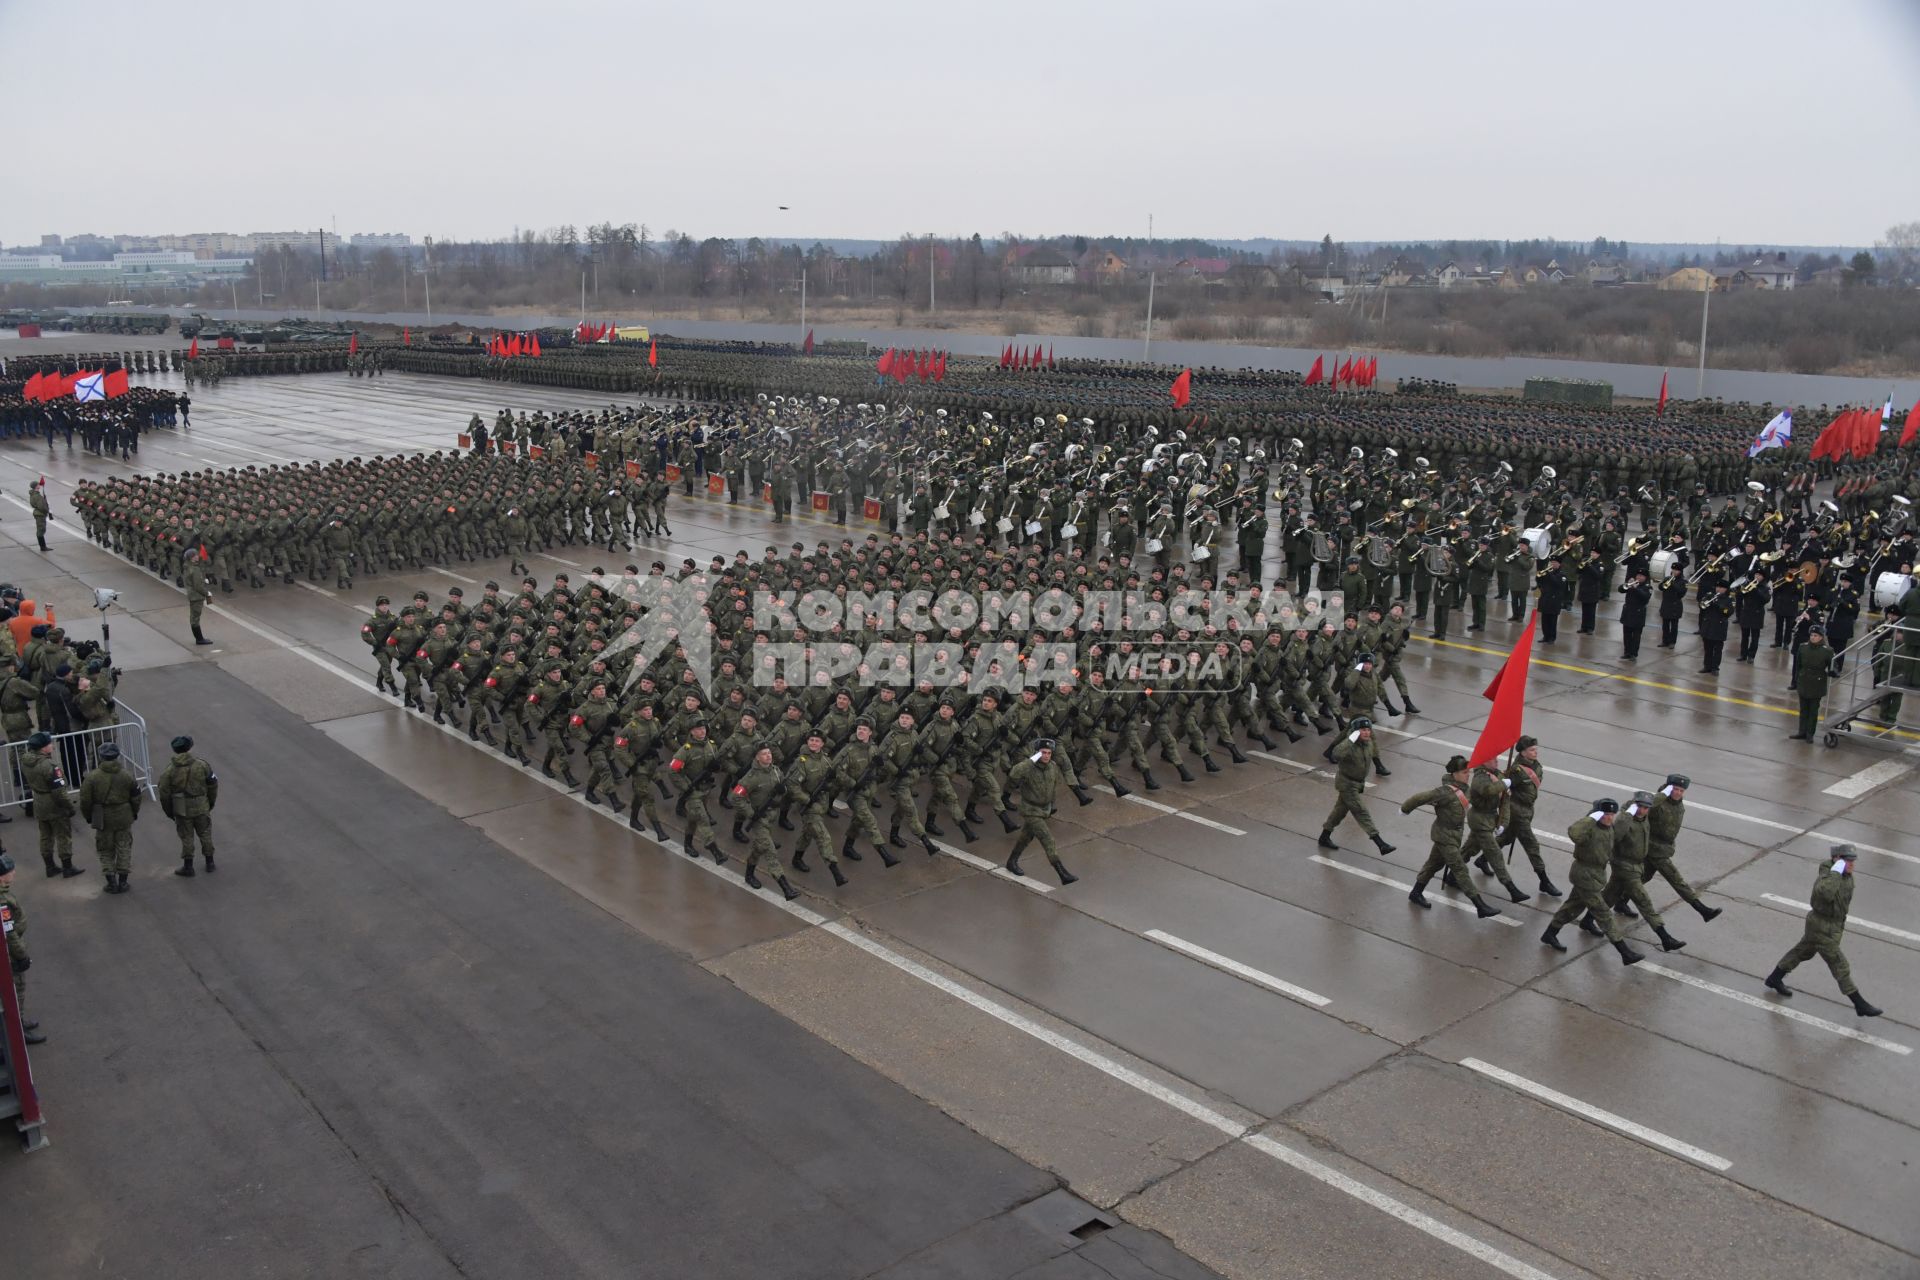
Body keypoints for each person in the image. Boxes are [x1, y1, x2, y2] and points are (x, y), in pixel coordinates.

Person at [1766, 845, 1882, 1017]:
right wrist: (1835, 872)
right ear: (1837, 859)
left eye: (1852, 861)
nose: (1851, 864)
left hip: (1832, 926)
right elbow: (1825, 894)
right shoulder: (1828, 875)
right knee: (1839, 964)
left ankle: (1775, 978)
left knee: (1802, 952)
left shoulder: (1847, 876)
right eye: (1848, 860)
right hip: (1822, 927)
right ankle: (1859, 1004)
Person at [1540, 799, 1646, 966]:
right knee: (1604, 914)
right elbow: (1573, 833)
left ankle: (1550, 933)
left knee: (1573, 906)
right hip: (1584, 874)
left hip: (1596, 874)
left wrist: (1626, 815)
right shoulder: (1588, 829)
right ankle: (1625, 952)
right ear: (1597, 814)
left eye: (1612, 814)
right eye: (1605, 814)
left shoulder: (1610, 828)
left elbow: (1620, 832)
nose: (1609, 818)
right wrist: (1591, 818)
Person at [1401, 755, 1502, 918]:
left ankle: (1416, 892)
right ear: (1454, 773)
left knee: (1433, 865)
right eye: (1463, 772)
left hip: (1454, 835)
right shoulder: (1444, 792)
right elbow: (1420, 798)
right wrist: (1405, 809)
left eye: (1468, 771)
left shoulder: (1465, 789)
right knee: (1460, 869)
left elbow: (1479, 797)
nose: (1467, 775)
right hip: (1444, 836)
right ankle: (1480, 906)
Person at [1599, 791, 1687, 952]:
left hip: (1636, 866)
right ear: (1633, 805)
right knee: (1644, 902)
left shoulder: (1644, 819)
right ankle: (1665, 938)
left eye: (1646, 808)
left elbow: (1659, 802)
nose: (1643, 810)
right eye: (1639, 807)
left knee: (1610, 896)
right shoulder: (1625, 820)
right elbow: (1615, 836)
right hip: (1624, 866)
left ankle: (1587, 920)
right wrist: (1627, 814)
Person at [1642, 774, 1721, 923]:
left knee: (1643, 877)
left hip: (1665, 848)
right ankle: (1702, 910)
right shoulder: (1658, 803)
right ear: (1668, 788)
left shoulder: (1678, 805)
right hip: (1654, 849)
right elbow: (1643, 811)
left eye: (1681, 790)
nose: (1678, 793)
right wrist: (1660, 796)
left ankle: (1620, 900)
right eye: (1675, 789)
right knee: (1676, 880)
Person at [1316, 717, 1396, 856]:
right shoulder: (1349, 745)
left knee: (1339, 812)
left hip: (1357, 783)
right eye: (1362, 730)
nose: (1366, 732)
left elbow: (1373, 754)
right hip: (1347, 784)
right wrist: (1350, 740)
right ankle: (1380, 843)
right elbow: (1336, 755)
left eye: (1368, 729)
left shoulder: (1368, 743)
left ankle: (1324, 836)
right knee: (1361, 812)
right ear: (1355, 732)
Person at [1003, 739, 1077, 884]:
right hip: (1030, 809)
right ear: (1036, 753)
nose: (1046, 756)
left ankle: (1011, 861)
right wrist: (1031, 760)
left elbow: (1054, 786)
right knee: (1047, 839)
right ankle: (1062, 873)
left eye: (1049, 753)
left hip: (1043, 809)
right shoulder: (1028, 767)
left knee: (1026, 837)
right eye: (1043, 752)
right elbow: (1013, 774)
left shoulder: (1052, 766)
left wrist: (1051, 805)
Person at [78, 741, 143, 894]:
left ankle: (111, 882)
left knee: (105, 849)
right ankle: (123, 882)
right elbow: (136, 797)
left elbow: (85, 800)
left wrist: (88, 817)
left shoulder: (92, 777)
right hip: (124, 815)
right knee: (124, 846)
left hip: (103, 817)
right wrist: (134, 812)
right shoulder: (127, 775)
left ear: (101, 757)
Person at [1501, 735, 1559, 897]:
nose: (1535, 752)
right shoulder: (1517, 770)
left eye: (1536, 749)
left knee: (1505, 838)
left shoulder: (1535, 765)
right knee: (1532, 847)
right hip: (1517, 811)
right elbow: (1504, 786)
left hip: (1528, 809)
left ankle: (1483, 859)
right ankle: (1544, 881)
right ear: (1523, 752)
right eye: (1532, 750)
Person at [157, 733, 218, 877]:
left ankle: (188, 867)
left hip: (180, 805)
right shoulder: (202, 765)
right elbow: (213, 785)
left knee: (186, 837)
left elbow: (164, 794)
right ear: (190, 748)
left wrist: (169, 812)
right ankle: (210, 863)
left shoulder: (169, 770)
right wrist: (210, 802)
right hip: (201, 803)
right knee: (205, 833)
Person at [22, 730, 81, 879]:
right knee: (63, 835)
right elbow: (59, 792)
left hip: (39, 802)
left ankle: (50, 866)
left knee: (45, 836)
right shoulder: (50, 765)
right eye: (49, 744)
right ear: (43, 748)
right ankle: (68, 867)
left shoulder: (26, 760)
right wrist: (69, 807)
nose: (52, 746)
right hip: (54, 804)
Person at [1, 851, 43, 1044]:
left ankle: (19, 1022)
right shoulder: (2, 902)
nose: (14, 873)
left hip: (12, 948)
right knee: (16, 992)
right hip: (11, 954)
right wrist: (21, 955)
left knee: (18, 992)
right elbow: (8, 934)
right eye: (10, 870)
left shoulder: (4, 893)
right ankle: (17, 1034)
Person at [1789, 625, 1829, 741]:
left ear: (1821, 637)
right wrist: (1797, 680)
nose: (1813, 637)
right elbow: (1798, 665)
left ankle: (1810, 733)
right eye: (1811, 635)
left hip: (1817, 683)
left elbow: (1832, 665)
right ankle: (1802, 731)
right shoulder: (1803, 647)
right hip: (1804, 681)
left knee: (1813, 711)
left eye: (1815, 635)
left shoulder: (1827, 651)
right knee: (1803, 709)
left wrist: (1833, 671)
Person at [1617, 570, 1651, 660]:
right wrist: (1627, 584)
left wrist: (1636, 588)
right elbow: (1620, 589)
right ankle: (1627, 652)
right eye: (1638, 575)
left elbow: (1645, 597)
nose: (1639, 577)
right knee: (1626, 634)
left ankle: (1633, 654)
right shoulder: (1632, 584)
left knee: (1636, 636)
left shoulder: (1647, 587)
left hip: (1638, 614)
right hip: (1628, 612)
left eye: (1641, 576)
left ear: (1645, 578)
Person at [186, 556, 214, 646]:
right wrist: (207, 593)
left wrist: (202, 581)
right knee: (195, 618)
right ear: (192, 558)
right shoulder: (195, 569)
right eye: (195, 555)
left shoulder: (188, 566)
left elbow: (192, 581)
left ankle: (199, 638)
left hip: (192, 595)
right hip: (196, 596)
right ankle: (199, 639)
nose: (197, 556)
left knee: (194, 617)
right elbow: (197, 586)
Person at [28, 478, 50, 552]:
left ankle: (43, 546)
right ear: (35, 486)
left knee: (41, 529)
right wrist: (47, 510)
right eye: (38, 484)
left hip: (38, 513)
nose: (39, 485)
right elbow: (41, 506)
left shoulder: (34, 494)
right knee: (41, 530)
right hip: (40, 514)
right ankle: (43, 547)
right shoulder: (37, 496)